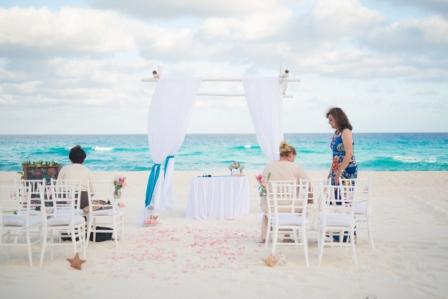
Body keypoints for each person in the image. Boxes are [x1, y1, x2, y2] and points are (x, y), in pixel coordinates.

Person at [260, 141, 309, 242]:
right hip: (291, 207)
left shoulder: (268, 166)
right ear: (290, 155)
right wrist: (309, 198)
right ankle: (288, 235)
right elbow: (307, 184)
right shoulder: (296, 167)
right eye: (294, 157)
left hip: (272, 208)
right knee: (303, 205)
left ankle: (264, 237)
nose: (294, 160)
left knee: (266, 207)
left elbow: (263, 186)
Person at [326, 107, 358, 185]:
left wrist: (340, 172)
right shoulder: (336, 133)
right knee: (334, 195)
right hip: (336, 168)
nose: (328, 122)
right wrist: (331, 172)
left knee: (343, 196)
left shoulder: (346, 131)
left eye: (331, 120)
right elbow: (335, 155)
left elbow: (349, 154)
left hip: (345, 169)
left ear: (338, 119)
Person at [57, 145, 94, 210]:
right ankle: (84, 218)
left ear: (70, 158)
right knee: (87, 201)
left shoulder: (64, 169)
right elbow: (92, 191)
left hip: (68, 199)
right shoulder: (87, 170)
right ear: (83, 159)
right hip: (83, 200)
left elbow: (58, 187)